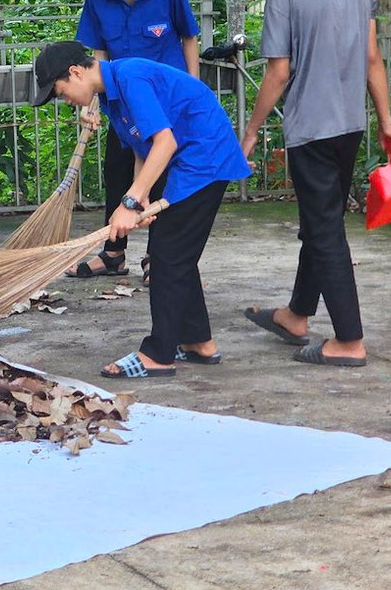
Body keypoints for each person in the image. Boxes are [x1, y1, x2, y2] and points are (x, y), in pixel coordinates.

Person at [239, 0, 391, 368]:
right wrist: (386, 121)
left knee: (326, 229)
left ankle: (349, 340)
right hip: (349, 125)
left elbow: (278, 73)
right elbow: (373, 59)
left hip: (310, 129)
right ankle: (295, 315)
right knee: (321, 221)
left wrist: (251, 130)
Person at [33, 41, 250, 379]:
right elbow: (143, 146)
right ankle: (198, 342)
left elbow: (166, 142)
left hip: (204, 158)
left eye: (60, 92)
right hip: (188, 159)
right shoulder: (110, 95)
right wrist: (142, 196)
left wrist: (130, 202)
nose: (65, 100)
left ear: (75, 73)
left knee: (166, 255)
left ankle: (158, 355)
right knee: (174, 252)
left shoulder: (130, 77)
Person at [68, 0, 201, 281]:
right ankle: (114, 254)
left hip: (166, 104)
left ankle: (157, 257)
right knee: (117, 169)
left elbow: (189, 38)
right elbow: (98, 53)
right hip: (122, 103)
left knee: (160, 178)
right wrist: (91, 102)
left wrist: (193, 88)